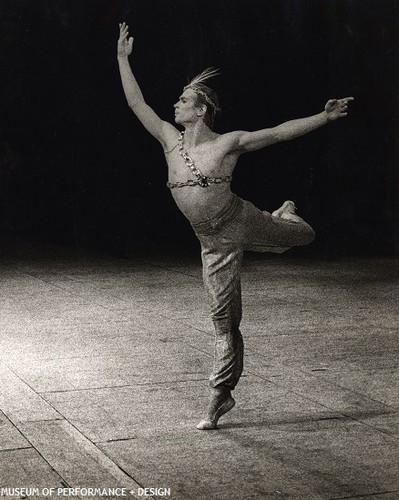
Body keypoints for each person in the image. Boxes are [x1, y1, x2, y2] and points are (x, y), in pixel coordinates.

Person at [117, 22, 354, 430]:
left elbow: (278, 133)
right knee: (224, 322)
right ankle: (220, 398)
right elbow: (138, 104)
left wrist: (325, 116)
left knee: (304, 236)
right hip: (213, 242)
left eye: (183, 100)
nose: (175, 105)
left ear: (201, 110)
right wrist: (122, 59)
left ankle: (284, 215)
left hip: (239, 220)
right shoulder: (168, 140)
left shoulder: (227, 144)